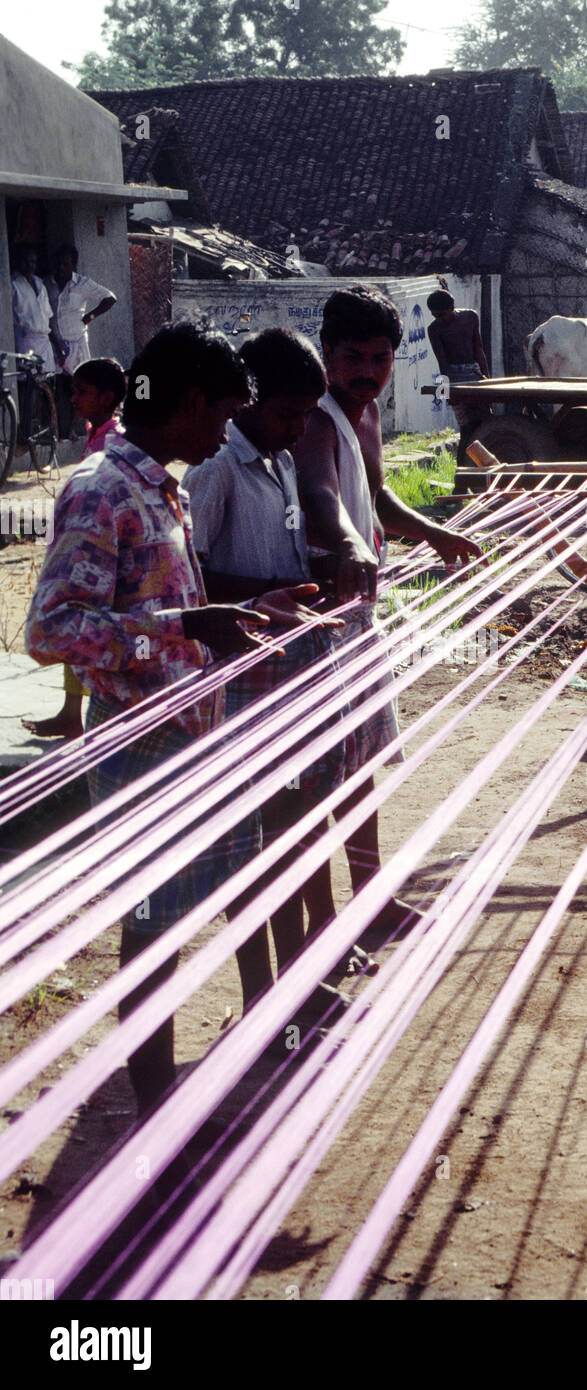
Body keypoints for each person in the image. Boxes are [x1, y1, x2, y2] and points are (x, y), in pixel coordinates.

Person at [25, 321, 323, 1117]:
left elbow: (168, 609)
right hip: (140, 751)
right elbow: (50, 631)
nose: (228, 430)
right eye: (223, 412)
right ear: (189, 403)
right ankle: (157, 1119)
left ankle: (214, 1086)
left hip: (190, 739)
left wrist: (243, 612)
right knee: (152, 942)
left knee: (210, 906)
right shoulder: (101, 491)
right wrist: (185, 630)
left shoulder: (161, 487)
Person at [294, 285, 482, 940]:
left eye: (379, 358)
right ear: (326, 353)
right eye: (352, 357)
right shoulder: (314, 417)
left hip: (357, 619)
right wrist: (348, 544)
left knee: (360, 768)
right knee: (317, 782)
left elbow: (373, 501)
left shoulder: (367, 414)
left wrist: (431, 532)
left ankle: (370, 903)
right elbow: (320, 493)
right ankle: (320, 930)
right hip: (316, 621)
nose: (367, 371)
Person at [183, 327, 350, 1012]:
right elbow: (191, 584)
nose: (299, 426)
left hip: (289, 673)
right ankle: (263, 997)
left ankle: (298, 987)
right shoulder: (215, 468)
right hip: (242, 682)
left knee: (294, 832)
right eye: (286, 412)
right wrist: (258, 600)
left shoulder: (280, 462)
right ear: (244, 401)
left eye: (308, 413)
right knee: (255, 845)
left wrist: (321, 570)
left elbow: (276, 560)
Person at [22, 357, 127, 740]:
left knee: (89, 627)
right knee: (78, 624)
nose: (73, 398)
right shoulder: (94, 432)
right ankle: (71, 712)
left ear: (106, 397)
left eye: (81, 392)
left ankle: (82, 712)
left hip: (101, 551)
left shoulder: (113, 439)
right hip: (86, 548)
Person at [45, 244, 117, 439]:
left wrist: (90, 316)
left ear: (73, 264)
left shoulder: (82, 284)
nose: (61, 268)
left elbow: (110, 298)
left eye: (66, 264)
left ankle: (80, 430)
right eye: (59, 264)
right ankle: (61, 431)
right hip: (54, 342)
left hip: (76, 343)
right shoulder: (48, 283)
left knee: (79, 387)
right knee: (59, 387)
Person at [10, 244, 61, 447]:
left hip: (43, 340)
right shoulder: (13, 283)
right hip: (25, 340)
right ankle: (24, 428)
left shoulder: (40, 284)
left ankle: (37, 427)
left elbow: (48, 317)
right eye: (26, 261)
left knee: (44, 386)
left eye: (33, 261)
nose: (29, 265)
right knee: (26, 386)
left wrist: (56, 344)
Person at [426, 288, 491, 441]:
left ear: (452, 307)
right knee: (466, 427)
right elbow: (442, 361)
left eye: (442, 315)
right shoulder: (434, 329)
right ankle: (463, 460)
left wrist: (488, 379)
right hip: (454, 376)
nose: (439, 319)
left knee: (486, 419)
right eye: (435, 316)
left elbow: (479, 350)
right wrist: (445, 390)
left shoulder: (470, 317)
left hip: (474, 372)